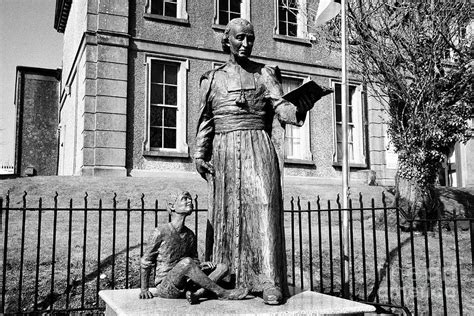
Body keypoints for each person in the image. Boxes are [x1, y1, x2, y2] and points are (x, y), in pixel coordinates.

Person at [194, 18, 315, 305]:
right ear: (227, 40)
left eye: (250, 38)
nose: (246, 44)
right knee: (226, 213)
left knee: (263, 204)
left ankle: (269, 281)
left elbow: (281, 107)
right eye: (240, 38)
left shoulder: (265, 74)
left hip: (257, 144)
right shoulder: (211, 78)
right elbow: (205, 120)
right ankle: (224, 277)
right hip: (223, 149)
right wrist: (200, 153)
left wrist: (301, 103)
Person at [139, 191, 248, 304]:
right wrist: (144, 289)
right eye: (184, 198)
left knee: (223, 267)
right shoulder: (160, 232)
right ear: (172, 206)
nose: (189, 201)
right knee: (187, 263)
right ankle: (223, 293)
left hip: (187, 283)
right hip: (166, 287)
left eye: (190, 198)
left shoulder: (190, 235)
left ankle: (197, 294)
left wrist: (202, 265)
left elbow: (194, 260)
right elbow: (145, 261)